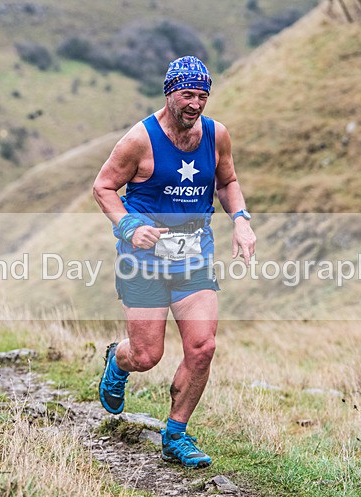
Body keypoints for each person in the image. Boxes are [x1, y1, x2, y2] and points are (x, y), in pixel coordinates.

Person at [92, 56, 256, 468]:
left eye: (203, 96)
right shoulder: (139, 140)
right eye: (188, 94)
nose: (196, 104)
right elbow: (104, 187)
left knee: (202, 348)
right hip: (143, 260)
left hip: (193, 258)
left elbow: (228, 181)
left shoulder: (216, 135)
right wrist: (128, 225)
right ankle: (118, 360)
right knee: (147, 356)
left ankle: (176, 434)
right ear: (169, 93)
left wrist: (241, 221)